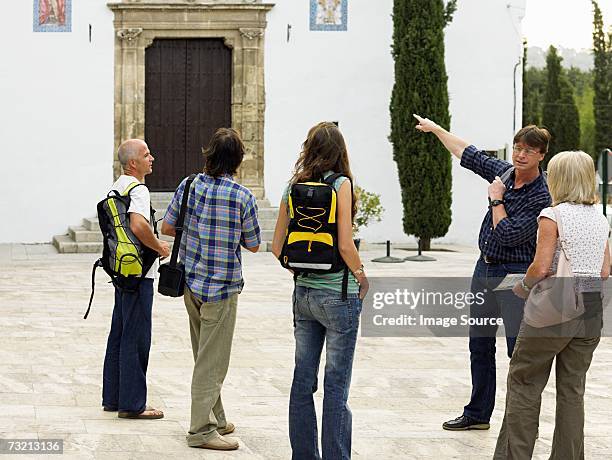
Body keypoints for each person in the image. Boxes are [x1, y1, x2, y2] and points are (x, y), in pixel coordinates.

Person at [414, 114, 552, 431]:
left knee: (517, 350)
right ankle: (478, 414)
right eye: (517, 148)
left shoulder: (540, 196)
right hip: (484, 268)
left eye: (528, 151)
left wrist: (496, 199)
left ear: (541, 155)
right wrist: (436, 130)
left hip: (515, 275)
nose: (520, 155)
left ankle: (520, 419)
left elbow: (507, 234)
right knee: (479, 344)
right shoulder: (505, 171)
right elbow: (468, 153)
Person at [494, 151, 610, 459]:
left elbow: (541, 267)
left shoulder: (552, 215)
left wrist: (522, 287)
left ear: (557, 179)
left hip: (553, 309)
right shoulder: (600, 218)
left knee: (524, 383)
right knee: (573, 391)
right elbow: (604, 271)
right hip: (590, 309)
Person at [271, 121, 369, 460]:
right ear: (339, 151)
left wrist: (299, 267)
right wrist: (361, 274)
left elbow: (276, 246)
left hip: (304, 296)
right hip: (339, 295)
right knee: (336, 386)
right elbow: (344, 243)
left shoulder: (292, 186)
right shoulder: (341, 185)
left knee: (302, 383)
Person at [162, 128, 261, 451]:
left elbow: (166, 226)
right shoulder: (242, 196)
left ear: (208, 155)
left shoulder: (189, 185)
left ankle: (217, 417)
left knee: (204, 355)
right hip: (222, 288)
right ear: (237, 160)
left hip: (191, 283)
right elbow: (255, 244)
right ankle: (200, 430)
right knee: (213, 361)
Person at [102, 139, 170, 420]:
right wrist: (159, 247)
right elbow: (138, 224)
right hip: (140, 273)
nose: (151, 158)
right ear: (133, 163)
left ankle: (113, 397)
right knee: (137, 337)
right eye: (146, 155)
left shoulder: (117, 187)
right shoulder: (138, 189)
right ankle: (132, 404)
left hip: (121, 269)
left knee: (118, 333)